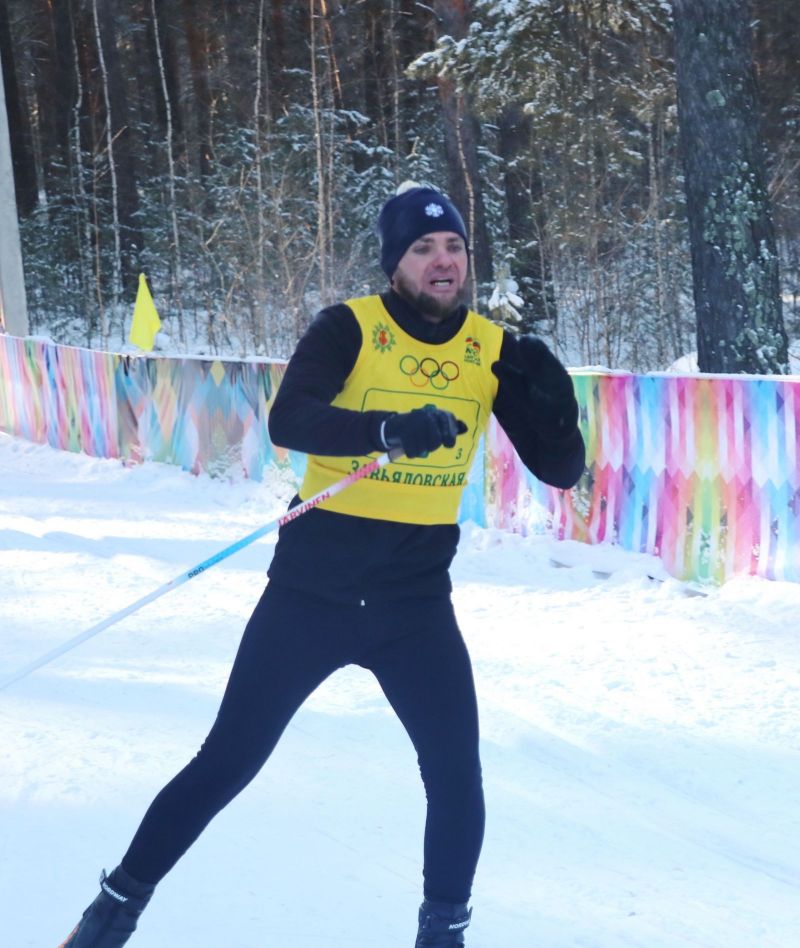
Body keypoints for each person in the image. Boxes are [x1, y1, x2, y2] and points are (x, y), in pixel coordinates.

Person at [59, 182, 585, 948]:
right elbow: (291, 418)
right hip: (312, 595)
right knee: (228, 759)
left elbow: (561, 470)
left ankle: (443, 936)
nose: (442, 260)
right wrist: (387, 429)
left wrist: (558, 409)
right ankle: (110, 914)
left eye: (454, 246)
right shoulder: (351, 328)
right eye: (423, 248)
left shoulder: (490, 350)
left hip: (413, 605)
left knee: (455, 775)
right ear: (395, 262)